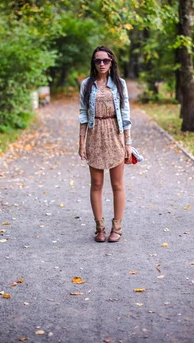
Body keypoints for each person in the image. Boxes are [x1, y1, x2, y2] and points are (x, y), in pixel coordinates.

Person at [78, 46, 132, 243]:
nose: (101, 64)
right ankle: (99, 227)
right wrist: (81, 142)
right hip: (95, 134)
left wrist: (128, 143)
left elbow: (125, 115)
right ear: (93, 63)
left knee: (117, 184)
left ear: (112, 63)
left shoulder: (119, 84)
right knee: (97, 184)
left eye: (105, 60)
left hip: (115, 134)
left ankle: (116, 227)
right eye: (97, 61)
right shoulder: (86, 85)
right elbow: (83, 114)